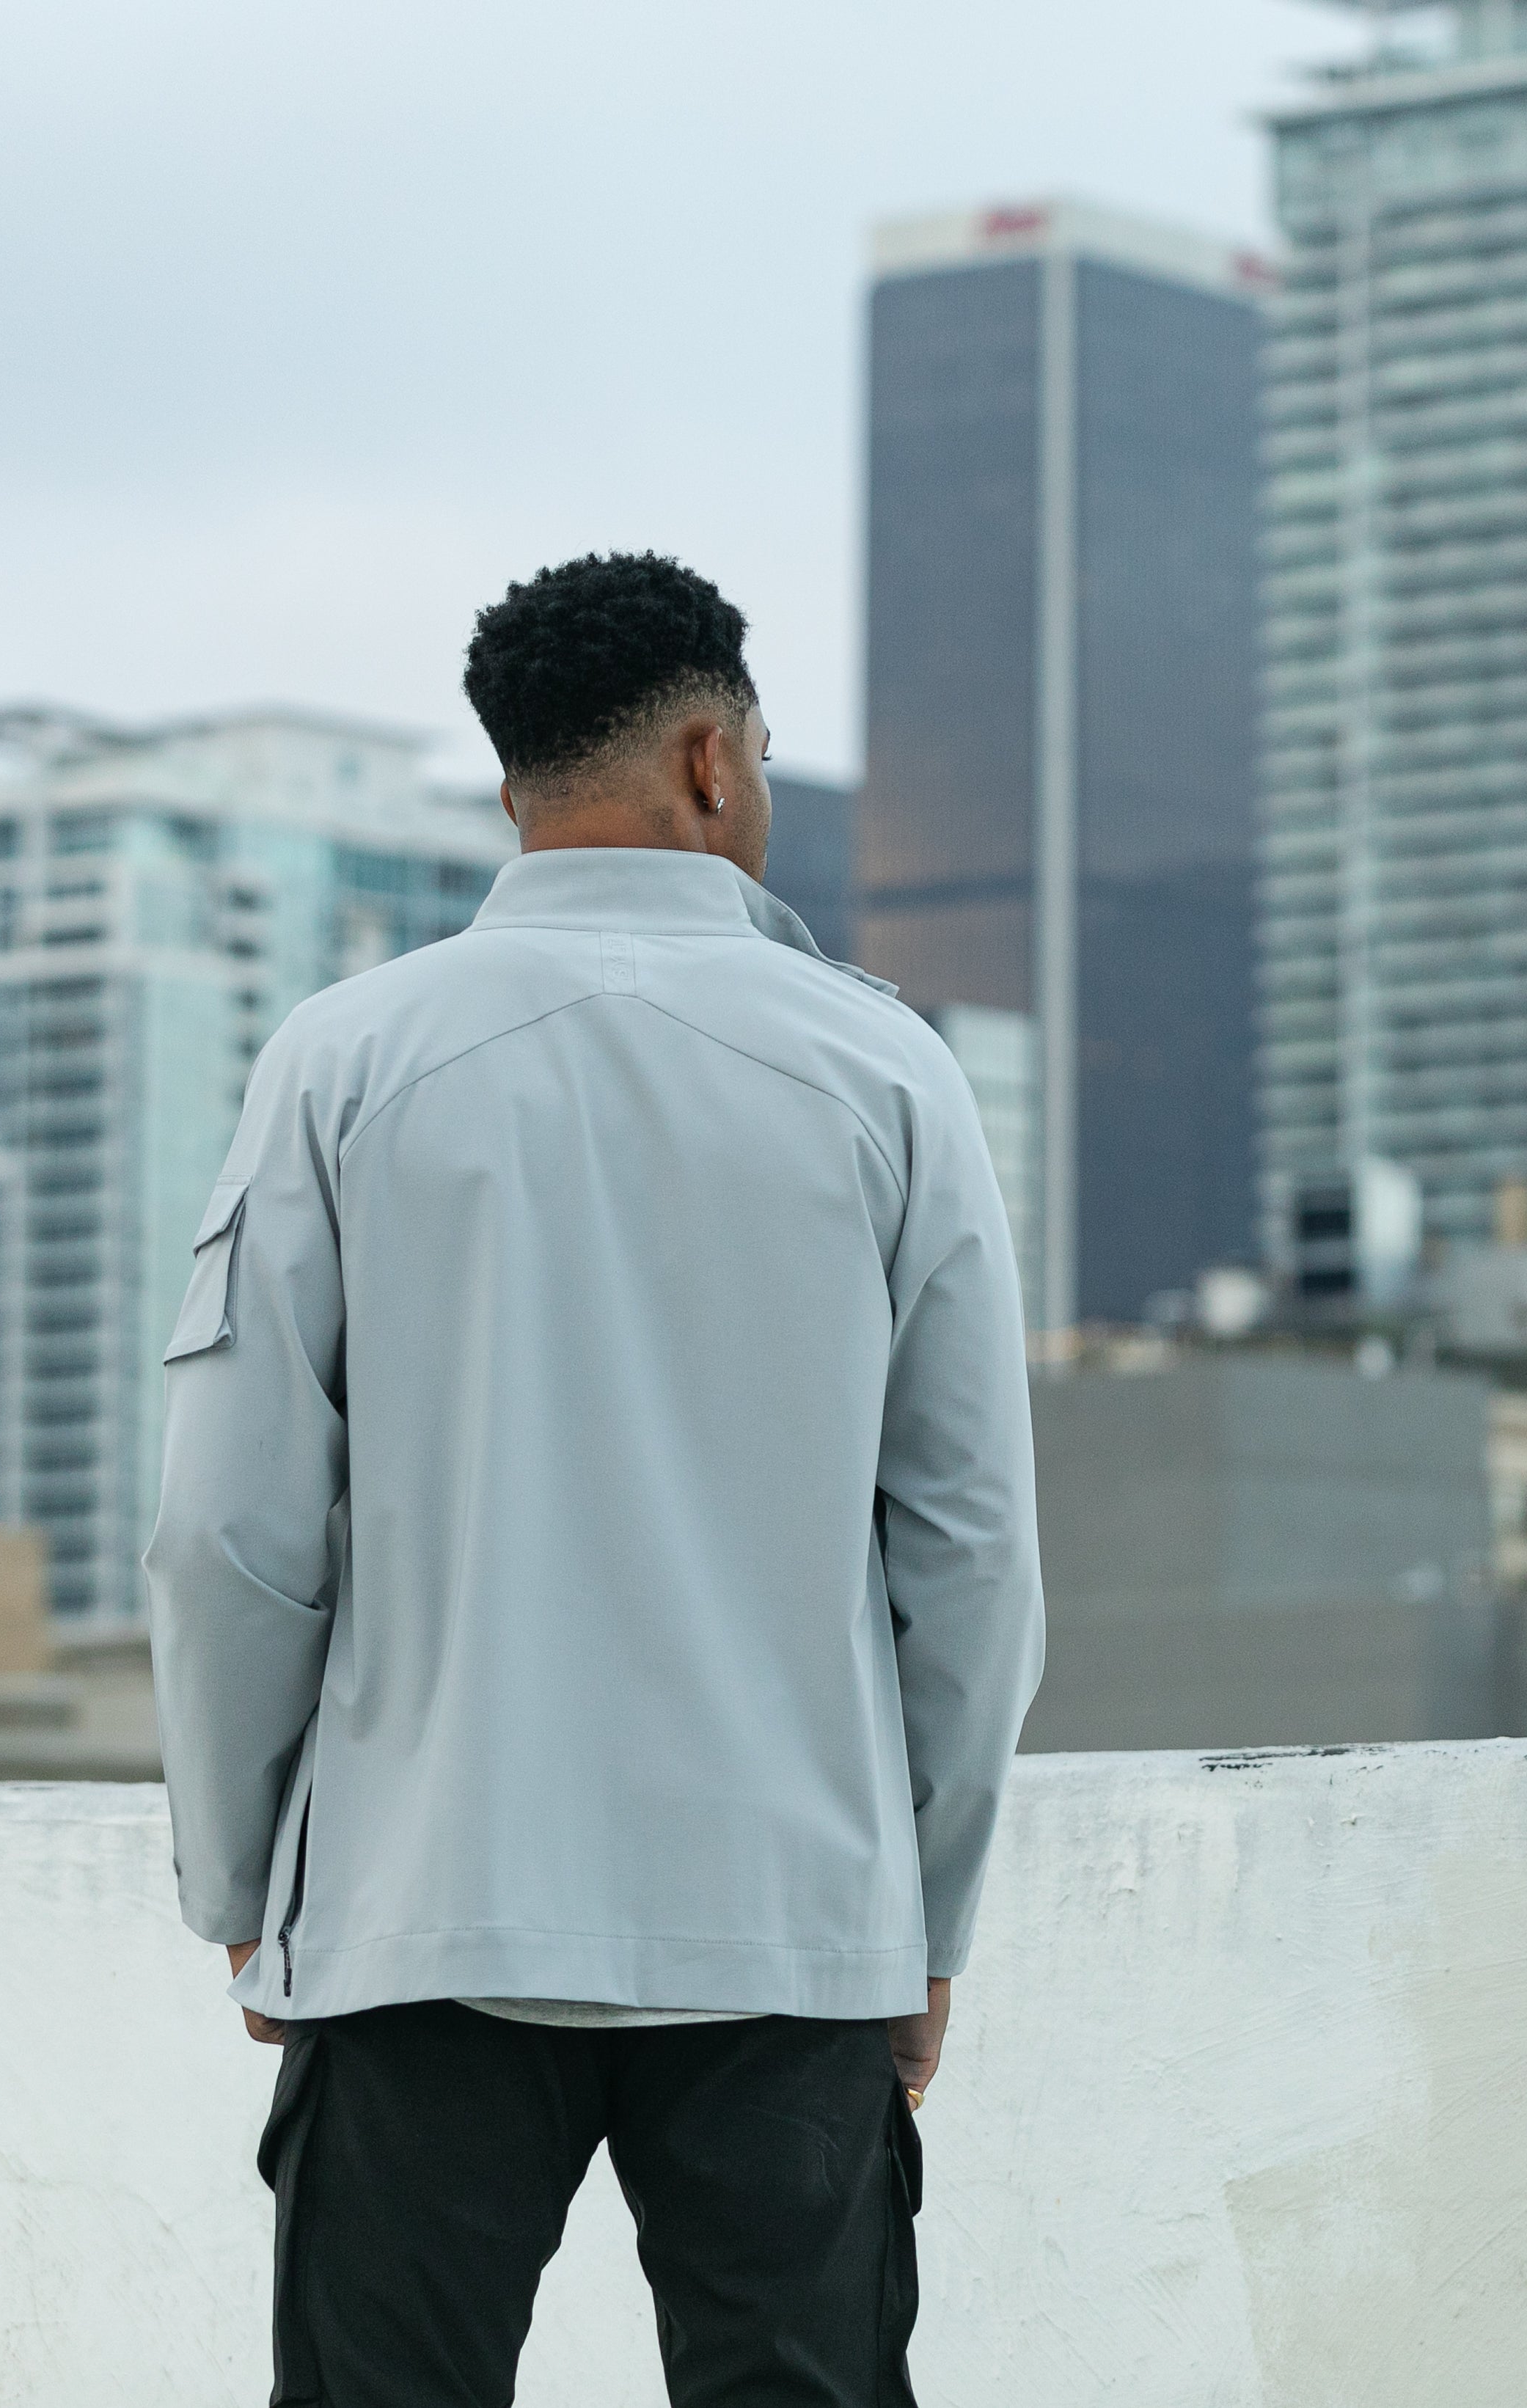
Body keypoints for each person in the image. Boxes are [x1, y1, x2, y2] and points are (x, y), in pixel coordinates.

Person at [146, 549, 1045, 2407]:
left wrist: (246, 1879)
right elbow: (969, 1554)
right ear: (711, 758)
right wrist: (924, 1920)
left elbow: (226, 1533)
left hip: (421, 1917)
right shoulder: (889, 1073)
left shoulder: (342, 1063)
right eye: (766, 756)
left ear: (514, 779)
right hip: (793, 1930)